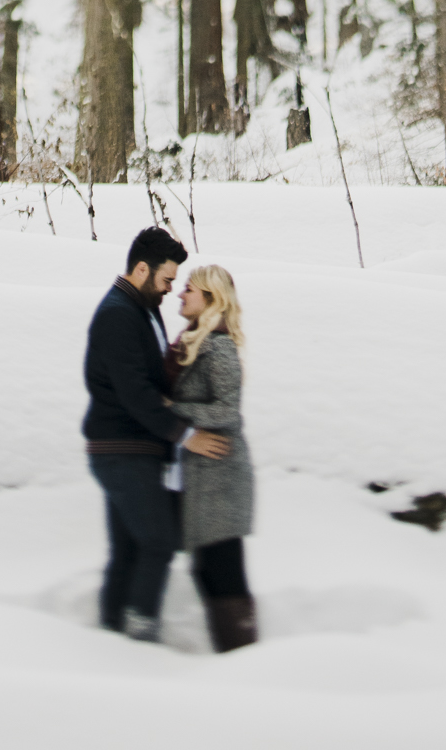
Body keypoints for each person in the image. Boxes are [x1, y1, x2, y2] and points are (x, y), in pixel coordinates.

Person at [82, 226, 229, 643]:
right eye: (166, 279)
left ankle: (110, 638)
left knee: (128, 552)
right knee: (159, 543)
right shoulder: (117, 314)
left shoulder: (139, 309)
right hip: (121, 449)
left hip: (133, 449)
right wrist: (185, 435)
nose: (170, 289)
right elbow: (135, 392)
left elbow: (149, 385)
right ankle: (139, 636)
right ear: (142, 269)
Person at [166, 263, 257, 652]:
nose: (179, 294)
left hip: (221, 479)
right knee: (206, 569)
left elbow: (227, 411)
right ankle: (233, 654)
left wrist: (172, 407)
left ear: (210, 298)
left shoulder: (218, 346)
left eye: (189, 288)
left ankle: (243, 655)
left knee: (222, 572)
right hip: (204, 479)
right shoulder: (192, 340)